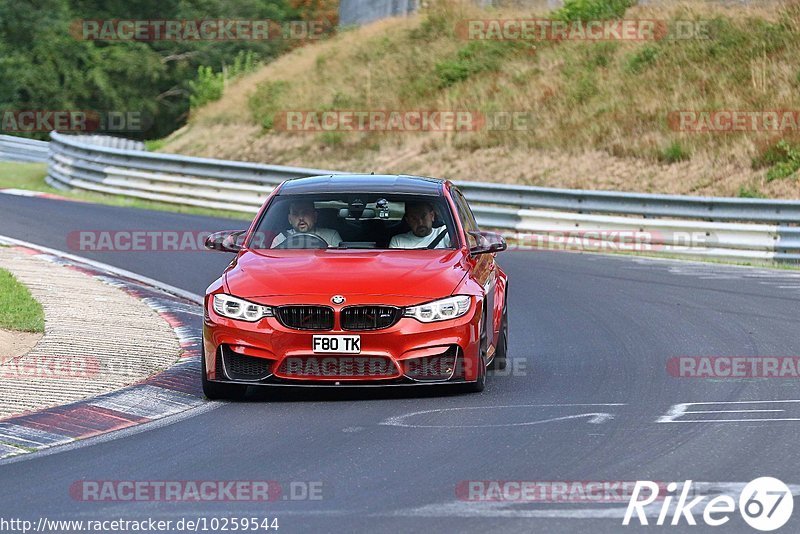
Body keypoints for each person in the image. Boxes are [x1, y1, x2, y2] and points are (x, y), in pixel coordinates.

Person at [271, 200, 342, 248]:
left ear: (315, 216)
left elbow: (339, 262)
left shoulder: (331, 236)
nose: (301, 218)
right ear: (290, 219)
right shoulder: (280, 239)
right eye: (295, 214)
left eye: (305, 212)